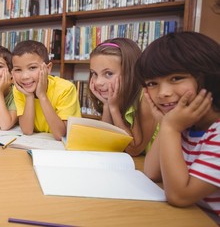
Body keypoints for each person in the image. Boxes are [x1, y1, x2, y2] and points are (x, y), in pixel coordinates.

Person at [138, 32, 220, 222]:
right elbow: (152, 172)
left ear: (208, 77)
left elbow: (180, 196)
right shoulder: (187, 124)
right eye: (152, 84)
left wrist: (170, 128)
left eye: (176, 78)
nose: (163, 93)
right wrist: (164, 123)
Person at [88, 38, 157, 156]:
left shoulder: (146, 96)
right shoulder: (115, 96)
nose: (98, 82)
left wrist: (114, 108)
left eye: (108, 73)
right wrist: (107, 106)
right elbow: (105, 143)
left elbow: (134, 149)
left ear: (130, 73)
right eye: (94, 73)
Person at [11, 40, 81, 140]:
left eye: (32, 68)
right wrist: (29, 96)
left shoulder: (66, 88)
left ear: (48, 69)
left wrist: (42, 95)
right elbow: (27, 130)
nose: (24, 76)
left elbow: (60, 135)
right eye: (18, 70)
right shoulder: (19, 89)